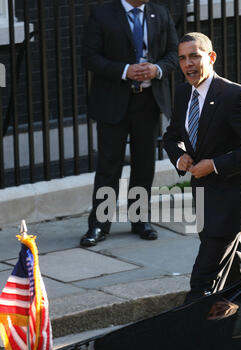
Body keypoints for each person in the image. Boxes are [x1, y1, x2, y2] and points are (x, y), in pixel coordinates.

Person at [163, 32, 241, 303]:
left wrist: (214, 165)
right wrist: (179, 157)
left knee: (202, 281)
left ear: (211, 57)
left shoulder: (233, 94)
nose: (188, 64)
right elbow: (170, 136)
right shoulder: (181, 93)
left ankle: (188, 335)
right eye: (182, 58)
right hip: (204, 201)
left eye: (194, 56)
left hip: (230, 204)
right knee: (236, 271)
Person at [80, 0, 178, 247]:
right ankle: (99, 225)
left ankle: (140, 220)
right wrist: (125, 70)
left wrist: (156, 69)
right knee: (109, 167)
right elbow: (90, 58)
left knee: (144, 165)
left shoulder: (160, 13)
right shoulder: (102, 14)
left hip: (148, 102)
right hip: (113, 103)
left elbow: (174, 53)